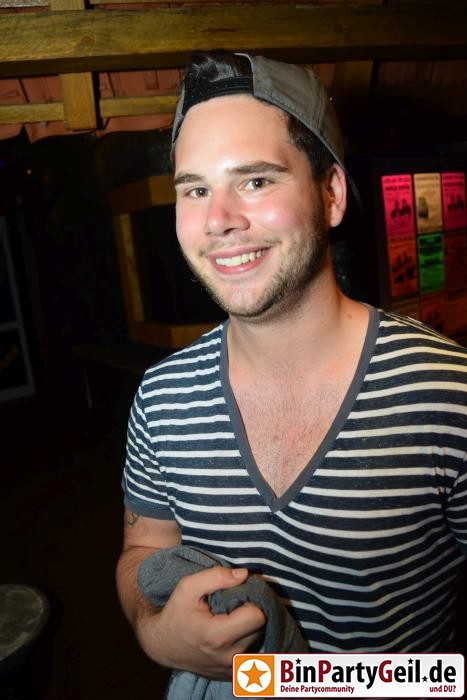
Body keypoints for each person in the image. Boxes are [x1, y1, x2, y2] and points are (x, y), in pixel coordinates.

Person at [116, 51, 467, 684]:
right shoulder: (162, 397)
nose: (218, 220)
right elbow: (144, 549)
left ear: (331, 194)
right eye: (195, 189)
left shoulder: (446, 393)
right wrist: (154, 632)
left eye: (255, 181)